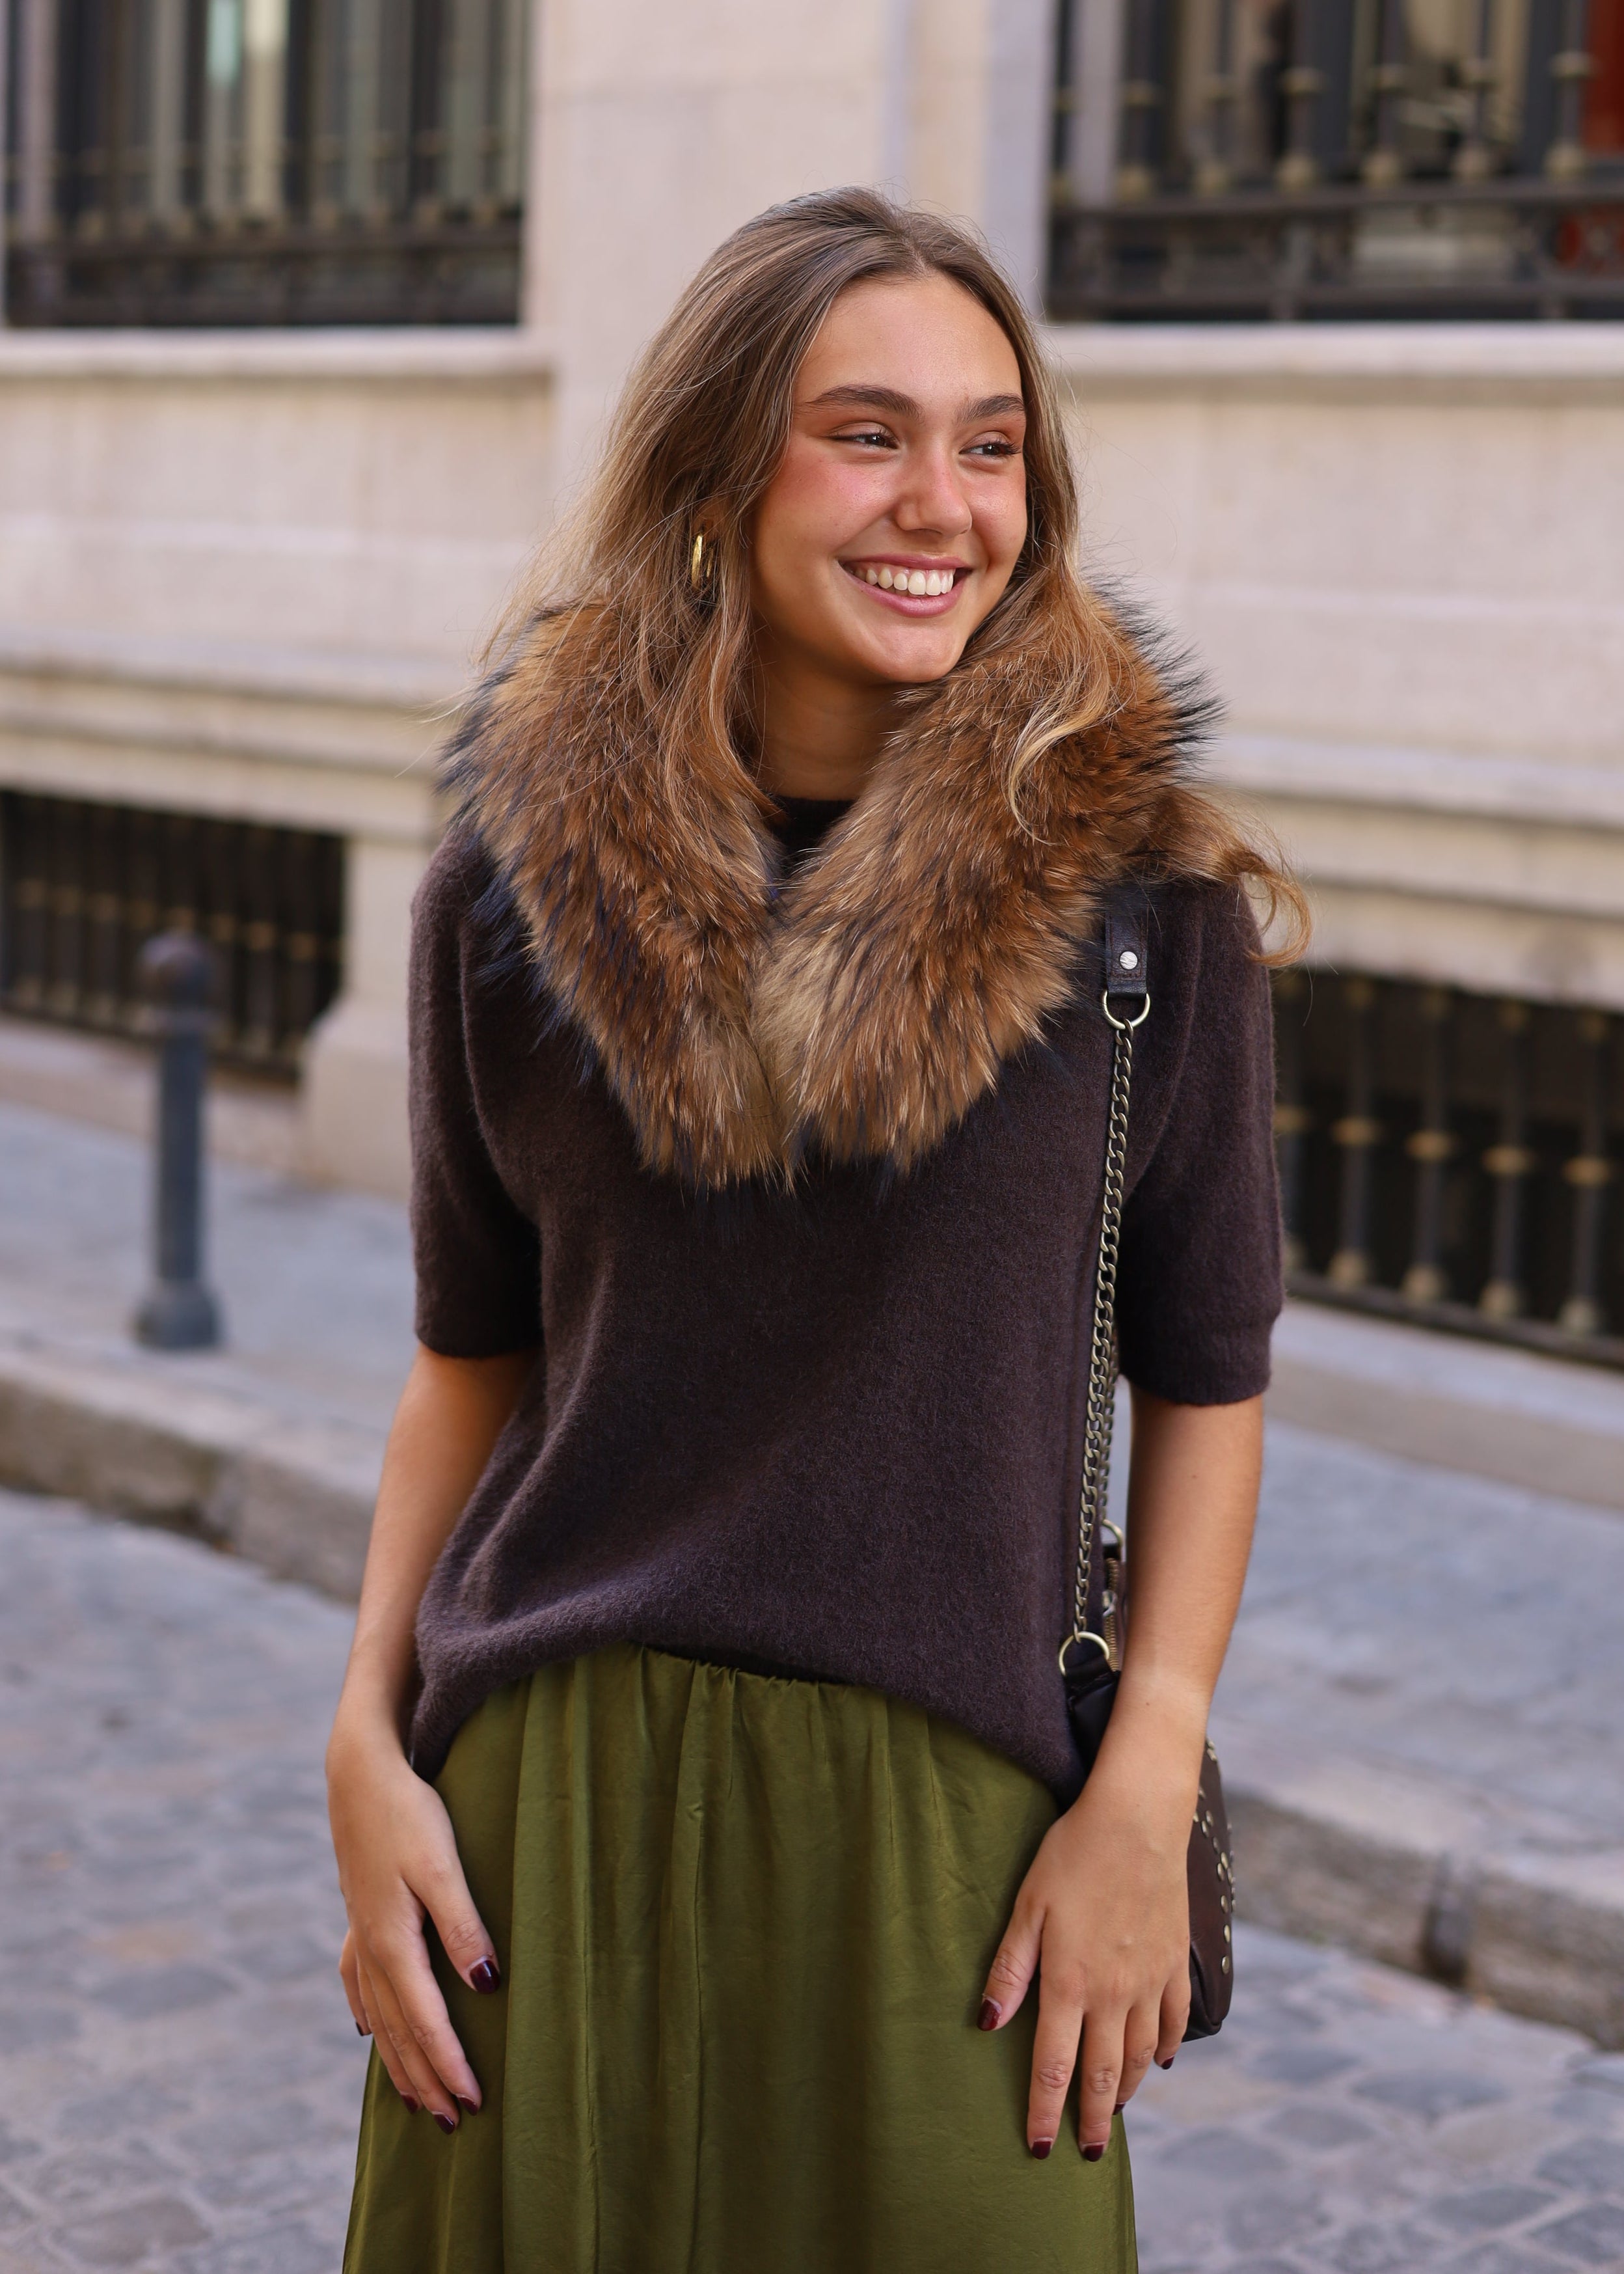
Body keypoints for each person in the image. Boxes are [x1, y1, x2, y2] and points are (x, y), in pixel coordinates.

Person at [329, 187, 1302, 2274]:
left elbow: (1211, 1384)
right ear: (720, 477)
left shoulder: (1150, 919)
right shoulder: (509, 901)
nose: (941, 502)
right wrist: (361, 1742)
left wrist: (1145, 1783)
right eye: (866, 434)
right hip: (542, 1829)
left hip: (953, 1862)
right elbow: (468, 1362)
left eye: (989, 443)